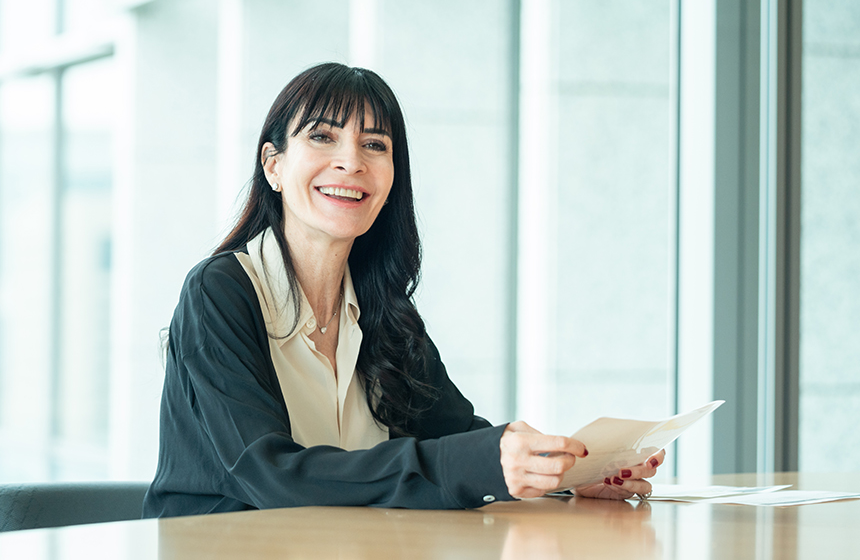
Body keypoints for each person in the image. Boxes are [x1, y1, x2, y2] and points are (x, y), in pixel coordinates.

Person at [143, 63, 663, 517]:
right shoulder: (220, 292)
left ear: (392, 178)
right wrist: (482, 462)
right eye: (323, 137)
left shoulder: (379, 307)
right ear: (274, 165)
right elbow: (269, 474)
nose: (352, 162)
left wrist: (563, 478)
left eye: (375, 145)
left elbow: (454, 437)